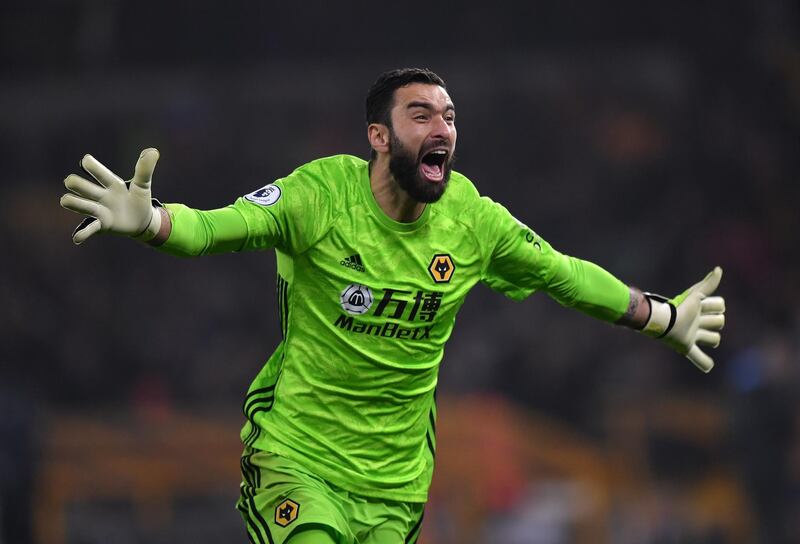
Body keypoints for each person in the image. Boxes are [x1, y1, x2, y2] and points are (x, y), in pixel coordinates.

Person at [60, 67, 726, 544]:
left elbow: (562, 274)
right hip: (299, 456)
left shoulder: (472, 219)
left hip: (397, 486)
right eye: (422, 115)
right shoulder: (320, 195)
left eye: (450, 116)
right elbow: (216, 228)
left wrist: (664, 317)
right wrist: (152, 222)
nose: (443, 128)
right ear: (378, 136)